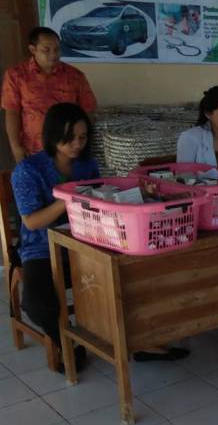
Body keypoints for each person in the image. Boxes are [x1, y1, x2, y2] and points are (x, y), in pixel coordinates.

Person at [12, 103, 187, 371]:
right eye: (69, 138)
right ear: (52, 135)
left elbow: (102, 202)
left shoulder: (87, 165)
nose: (77, 144)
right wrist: (69, 198)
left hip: (89, 241)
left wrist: (140, 195)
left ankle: (140, 342)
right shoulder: (28, 170)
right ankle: (67, 342)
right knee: (37, 304)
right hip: (43, 248)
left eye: (82, 137)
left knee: (135, 276)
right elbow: (32, 222)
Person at [2, 27, 97, 163]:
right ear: (33, 49)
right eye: (46, 50)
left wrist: (81, 144)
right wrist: (16, 147)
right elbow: (12, 113)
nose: (53, 54)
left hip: (68, 151)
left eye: (57, 49)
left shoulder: (75, 76)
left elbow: (88, 111)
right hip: (32, 150)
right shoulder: (16, 75)